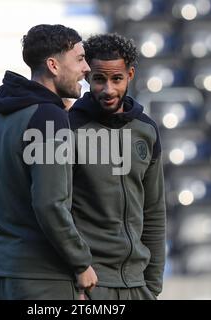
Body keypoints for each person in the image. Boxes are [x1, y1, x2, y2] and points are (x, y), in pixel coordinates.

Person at [0, 24, 97, 300]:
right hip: (42, 278)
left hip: (4, 272)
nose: (87, 69)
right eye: (80, 59)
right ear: (53, 66)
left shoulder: (1, 114)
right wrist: (81, 262)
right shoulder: (48, 117)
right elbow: (49, 202)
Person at [69, 33, 166, 300]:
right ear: (87, 75)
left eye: (117, 79)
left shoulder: (147, 130)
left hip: (138, 285)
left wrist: (153, 286)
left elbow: (154, 211)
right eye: (99, 79)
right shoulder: (67, 129)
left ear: (131, 74)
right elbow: (55, 211)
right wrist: (75, 278)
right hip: (88, 285)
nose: (108, 89)